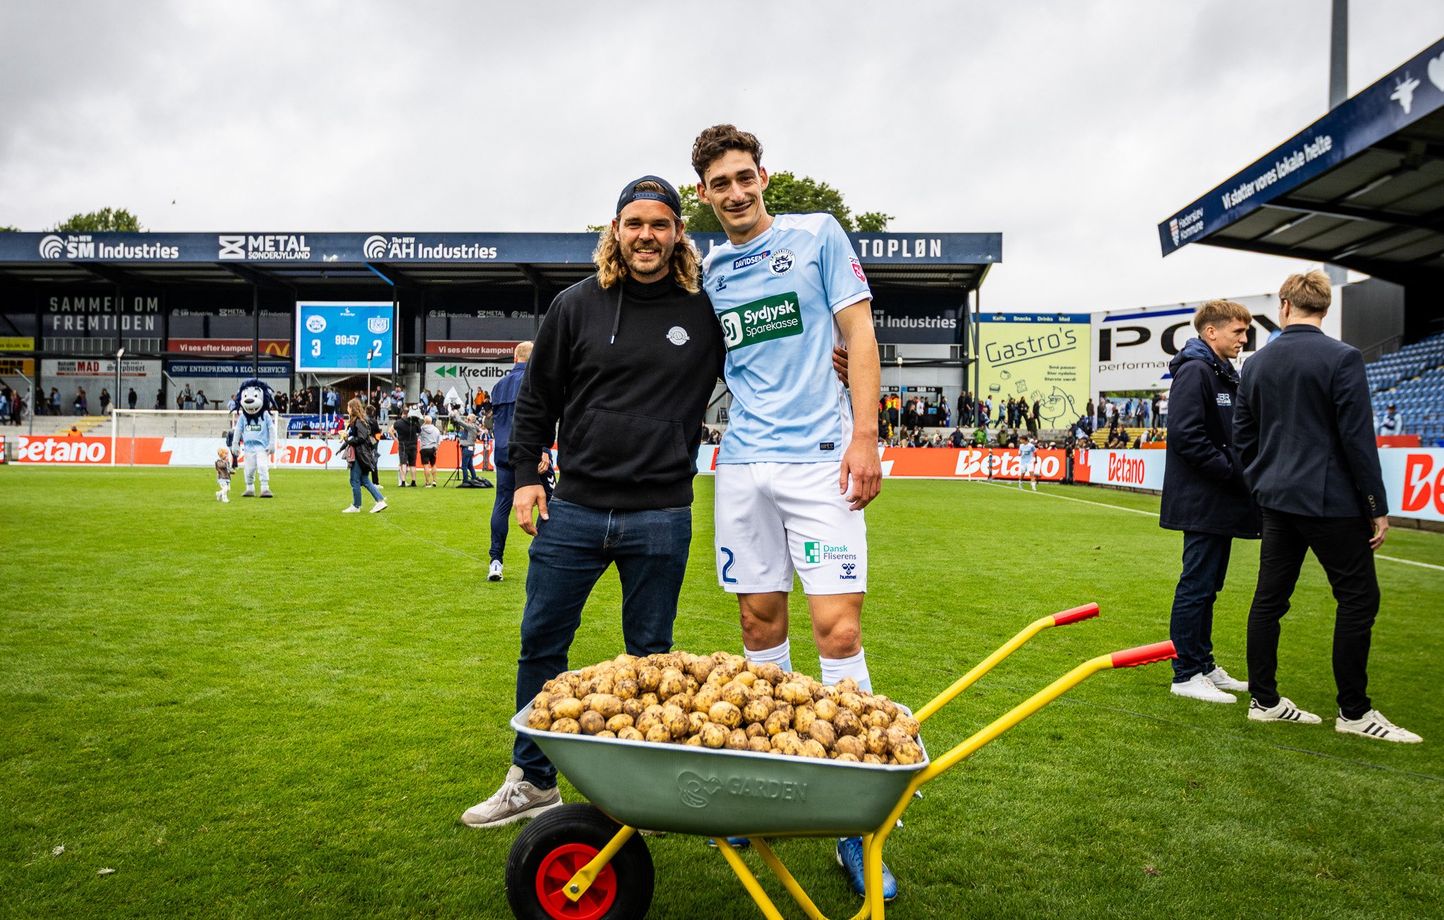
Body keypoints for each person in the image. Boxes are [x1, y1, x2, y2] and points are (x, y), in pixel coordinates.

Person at [461, 175, 724, 829]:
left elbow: (767, 362)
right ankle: (532, 779)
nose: (646, 235)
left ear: (677, 234)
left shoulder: (703, 310)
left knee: (652, 654)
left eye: (659, 224)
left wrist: (831, 364)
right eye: (634, 223)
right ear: (616, 230)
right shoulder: (575, 306)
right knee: (541, 642)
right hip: (574, 507)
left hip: (662, 513)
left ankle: (644, 784)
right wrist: (525, 477)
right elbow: (537, 400)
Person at [692, 124, 893, 900]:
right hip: (740, 465)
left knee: (837, 630)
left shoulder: (816, 235)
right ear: (704, 195)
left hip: (819, 460)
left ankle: (856, 815)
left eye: (745, 178)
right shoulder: (707, 274)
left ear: (764, 177)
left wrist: (866, 436)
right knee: (757, 628)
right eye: (720, 184)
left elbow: (860, 333)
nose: (736, 193)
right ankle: (768, 781)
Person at [1235, 270, 1419, 742]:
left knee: (1270, 600)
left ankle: (1265, 700)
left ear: (1284, 305)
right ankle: (1354, 712)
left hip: (1277, 500)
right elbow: (1358, 439)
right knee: (1358, 599)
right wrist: (1376, 505)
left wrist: (1262, 483)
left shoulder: (1255, 363)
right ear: (1325, 308)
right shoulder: (1342, 358)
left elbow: (1243, 438)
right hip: (1330, 501)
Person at [1159, 300, 1258, 704]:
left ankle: (1203, 663)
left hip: (1218, 501)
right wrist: (1233, 472)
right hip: (1202, 500)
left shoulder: (1221, 371)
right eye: (1238, 331)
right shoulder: (1197, 371)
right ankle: (1185, 672)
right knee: (1197, 585)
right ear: (1211, 332)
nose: (1244, 338)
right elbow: (1186, 436)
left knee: (1209, 586)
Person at [485, 341, 551, 583]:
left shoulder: (498, 386)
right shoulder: (535, 381)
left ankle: (495, 561)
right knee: (549, 504)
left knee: (502, 505)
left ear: (515, 357)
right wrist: (544, 449)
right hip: (530, 452)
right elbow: (537, 417)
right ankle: (548, 560)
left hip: (503, 452)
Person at [340, 398, 387, 513]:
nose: (347, 409)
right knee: (364, 480)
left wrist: (348, 439)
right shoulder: (360, 420)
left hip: (360, 455)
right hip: (363, 454)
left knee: (354, 480)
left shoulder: (359, 421)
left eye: (348, 407)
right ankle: (380, 501)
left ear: (352, 408)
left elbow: (361, 438)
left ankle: (356, 506)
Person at [392, 408, 420, 487]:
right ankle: (413, 481)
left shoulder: (398, 422)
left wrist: (396, 439)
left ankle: (403, 481)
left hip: (403, 445)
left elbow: (390, 431)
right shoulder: (415, 422)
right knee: (413, 465)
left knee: (403, 464)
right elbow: (419, 431)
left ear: (402, 414)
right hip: (413, 445)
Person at [453, 412, 481, 486]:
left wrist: (456, 413)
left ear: (471, 419)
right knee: (470, 465)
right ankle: (474, 479)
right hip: (470, 447)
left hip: (467, 447)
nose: (466, 419)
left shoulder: (470, 426)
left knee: (464, 466)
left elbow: (460, 421)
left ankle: (465, 481)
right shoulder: (474, 426)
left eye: (468, 418)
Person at [417, 414, 441, 487]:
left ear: (425, 421)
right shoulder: (436, 429)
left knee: (426, 466)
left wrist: (423, 424)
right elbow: (439, 441)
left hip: (424, 448)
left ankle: (427, 482)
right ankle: (434, 481)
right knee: (433, 464)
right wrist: (436, 449)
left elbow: (418, 435)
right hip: (433, 448)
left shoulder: (422, 429)